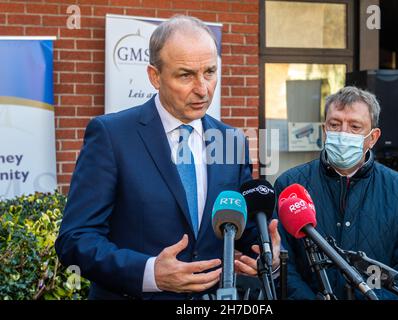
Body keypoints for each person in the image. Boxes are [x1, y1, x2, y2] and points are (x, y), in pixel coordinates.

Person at [56, 15, 280, 300]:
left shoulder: (231, 140)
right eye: (186, 75)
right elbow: (75, 240)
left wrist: (266, 252)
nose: (203, 88)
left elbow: (238, 226)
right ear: (154, 76)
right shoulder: (111, 136)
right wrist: (149, 273)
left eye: (210, 71)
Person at [275, 86, 398, 300]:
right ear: (324, 129)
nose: (343, 133)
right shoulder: (290, 185)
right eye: (335, 124)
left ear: (372, 137)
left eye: (355, 126)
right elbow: (282, 263)